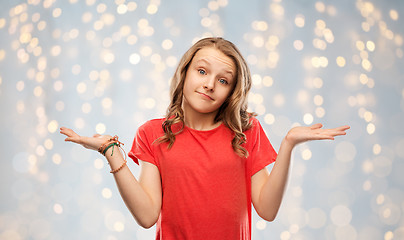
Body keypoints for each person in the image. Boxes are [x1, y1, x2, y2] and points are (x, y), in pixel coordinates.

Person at [60, 37, 349, 240]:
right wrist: (112, 152)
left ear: (232, 91)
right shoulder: (153, 133)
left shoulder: (246, 131)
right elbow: (147, 216)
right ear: (185, 73)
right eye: (202, 71)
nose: (210, 84)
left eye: (223, 80)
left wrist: (288, 144)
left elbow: (268, 209)